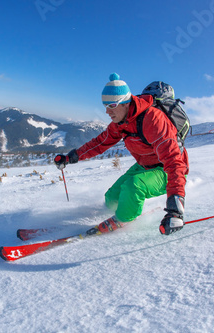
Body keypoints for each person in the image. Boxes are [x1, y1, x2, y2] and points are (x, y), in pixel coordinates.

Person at [54, 73, 189, 235]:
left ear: (125, 103)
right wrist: (71, 157)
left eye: (111, 105)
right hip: (144, 165)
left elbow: (173, 161)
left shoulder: (153, 120)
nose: (106, 111)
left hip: (167, 170)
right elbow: (99, 143)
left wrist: (176, 210)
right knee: (111, 198)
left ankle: (124, 218)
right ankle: (124, 208)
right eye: (105, 106)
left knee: (134, 185)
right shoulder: (121, 122)